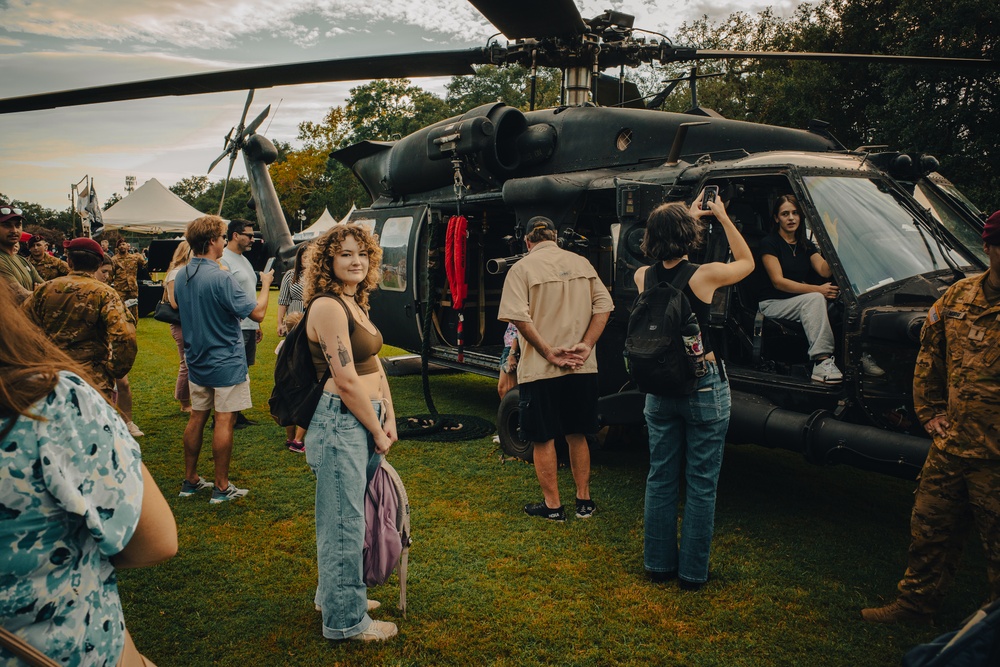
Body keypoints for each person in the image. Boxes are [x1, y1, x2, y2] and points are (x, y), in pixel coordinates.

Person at [1, 283, 177, 667]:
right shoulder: (51, 402)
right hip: (68, 646)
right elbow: (154, 541)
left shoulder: (43, 290)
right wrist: (112, 373)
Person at [861, 210, 1000, 625]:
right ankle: (915, 605)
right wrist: (930, 412)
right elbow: (929, 353)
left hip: (996, 457)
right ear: (989, 248)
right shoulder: (959, 296)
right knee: (929, 529)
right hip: (953, 444)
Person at [636, 194, 755, 590]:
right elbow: (748, 262)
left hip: (658, 386)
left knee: (660, 477)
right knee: (701, 481)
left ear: (650, 238)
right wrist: (720, 215)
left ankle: (657, 565)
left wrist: (679, 215)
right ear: (690, 235)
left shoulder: (643, 277)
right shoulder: (704, 275)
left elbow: (667, 237)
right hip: (702, 382)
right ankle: (691, 574)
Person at [302, 224, 398, 642]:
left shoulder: (355, 302)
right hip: (342, 420)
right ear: (328, 262)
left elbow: (374, 364)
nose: (356, 261)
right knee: (343, 521)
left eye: (361, 253)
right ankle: (345, 620)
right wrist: (376, 429)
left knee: (345, 515)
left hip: (364, 415)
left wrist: (389, 413)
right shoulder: (327, 307)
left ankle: (335, 594)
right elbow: (344, 379)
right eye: (345, 254)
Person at [498, 216, 614, 522]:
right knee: (578, 434)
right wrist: (587, 345)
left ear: (527, 241)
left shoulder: (522, 268)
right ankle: (584, 502)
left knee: (543, 438)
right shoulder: (582, 264)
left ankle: (553, 506)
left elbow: (517, 317)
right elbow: (604, 306)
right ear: (556, 238)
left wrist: (548, 351)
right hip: (581, 366)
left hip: (541, 370)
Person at [174, 215, 273, 504]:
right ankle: (221, 486)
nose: (222, 240)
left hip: (197, 359)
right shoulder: (220, 276)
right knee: (224, 421)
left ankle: (190, 479)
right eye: (220, 236)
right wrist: (265, 284)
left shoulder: (182, 274)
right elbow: (257, 314)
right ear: (213, 241)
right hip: (225, 360)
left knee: (197, 417)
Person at [22, 238, 137, 403]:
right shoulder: (105, 293)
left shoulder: (45, 289)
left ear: (69, 261)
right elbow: (125, 335)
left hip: (52, 375)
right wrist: (114, 370)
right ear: (98, 264)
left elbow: (21, 326)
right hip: (92, 378)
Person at [757, 194, 852, 384]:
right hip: (772, 303)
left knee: (843, 300)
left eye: (795, 213)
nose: (791, 218)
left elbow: (825, 271)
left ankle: (853, 356)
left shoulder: (805, 245)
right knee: (816, 299)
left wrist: (833, 240)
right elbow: (778, 282)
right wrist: (817, 290)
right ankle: (822, 361)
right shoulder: (769, 243)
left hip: (798, 301)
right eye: (785, 214)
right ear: (777, 218)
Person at [221, 219, 262, 428]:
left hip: (249, 323)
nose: (253, 239)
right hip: (235, 325)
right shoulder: (224, 260)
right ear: (235, 235)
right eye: (249, 235)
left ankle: (236, 413)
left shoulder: (243, 259)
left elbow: (248, 294)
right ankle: (226, 415)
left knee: (243, 370)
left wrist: (257, 325)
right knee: (235, 371)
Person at [278, 243, 309, 451]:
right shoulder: (291, 275)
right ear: (300, 258)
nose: (308, 260)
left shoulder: (320, 274)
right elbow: (283, 299)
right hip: (294, 317)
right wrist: (280, 322)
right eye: (305, 257)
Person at [164, 241, 193, 413]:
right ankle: (184, 402)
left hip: (188, 322)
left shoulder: (185, 271)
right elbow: (174, 303)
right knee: (186, 363)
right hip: (179, 323)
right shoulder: (175, 273)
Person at [0, 202, 44, 302]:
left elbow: (46, 287)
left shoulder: (22, 260)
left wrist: (39, 293)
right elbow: (20, 296)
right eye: (7, 226)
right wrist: (39, 293)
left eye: (18, 225)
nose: (14, 230)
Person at [110, 237, 147, 322]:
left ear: (127, 246)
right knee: (120, 308)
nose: (122, 246)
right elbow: (110, 275)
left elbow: (145, 265)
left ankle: (133, 326)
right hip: (120, 289)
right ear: (117, 248)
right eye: (119, 245)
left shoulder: (135, 258)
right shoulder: (114, 260)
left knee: (133, 309)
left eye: (123, 244)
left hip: (132, 288)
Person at [497, 322, 520, 399]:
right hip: (508, 344)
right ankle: (507, 410)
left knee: (512, 389)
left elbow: (521, 326)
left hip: (515, 347)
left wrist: (513, 353)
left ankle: (516, 411)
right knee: (502, 389)